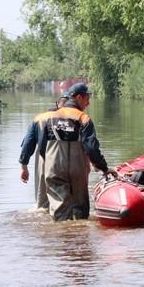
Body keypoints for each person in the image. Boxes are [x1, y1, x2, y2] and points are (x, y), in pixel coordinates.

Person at [42, 83, 116, 221]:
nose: (88, 103)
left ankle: (63, 238)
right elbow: (91, 147)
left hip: (54, 168)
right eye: (87, 99)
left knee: (59, 212)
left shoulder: (50, 117)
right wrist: (103, 168)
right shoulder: (83, 118)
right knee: (80, 212)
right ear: (79, 97)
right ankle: (80, 239)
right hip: (77, 170)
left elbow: (42, 146)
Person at [19, 92, 70, 210]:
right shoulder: (75, 118)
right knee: (66, 203)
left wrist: (23, 167)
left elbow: (28, 143)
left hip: (44, 159)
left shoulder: (40, 118)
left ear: (58, 104)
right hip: (67, 161)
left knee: (42, 205)